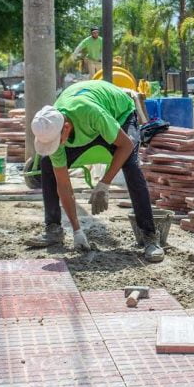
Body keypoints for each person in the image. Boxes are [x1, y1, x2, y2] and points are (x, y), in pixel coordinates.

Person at [26, 80, 164, 262]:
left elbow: (126, 145)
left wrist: (104, 183)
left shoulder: (90, 113)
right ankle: (54, 230)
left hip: (119, 115)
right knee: (47, 164)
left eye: (56, 142)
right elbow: (64, 185)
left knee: (130, 165)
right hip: (87, 124)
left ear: (65, 129)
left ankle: (149, 237)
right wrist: (77, 230)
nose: (56, 146)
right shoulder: (54, 128)